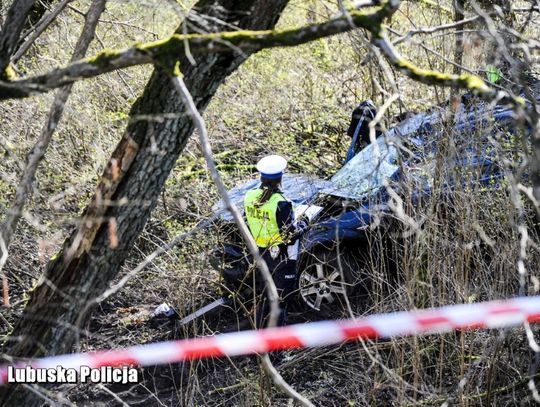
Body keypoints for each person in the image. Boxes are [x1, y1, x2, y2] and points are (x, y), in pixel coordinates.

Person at [244, 154, 307, 327]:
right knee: (280, 302)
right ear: (281, 179)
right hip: (281, 259)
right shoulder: (282, 203)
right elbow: (289, 235)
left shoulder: (249, 196)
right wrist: (303, 223)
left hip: (260, 255)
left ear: (261, 177)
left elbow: (249, 220)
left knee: (264, 299)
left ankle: (259, 339)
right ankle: (277, 351)